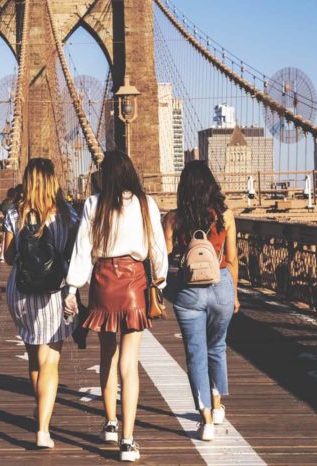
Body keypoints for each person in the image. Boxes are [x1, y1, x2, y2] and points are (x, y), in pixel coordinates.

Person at [64, 151, 167, 462]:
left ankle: (110, 423)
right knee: (129, 362)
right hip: (135, 284)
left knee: (107, 353)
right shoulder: (147, 204)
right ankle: (127, 440)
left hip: (103, 282)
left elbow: (83, 249)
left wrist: (72, 288)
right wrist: (159, 284)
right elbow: (157, 248)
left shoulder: (94, 204)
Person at [162, 160, 239, 442]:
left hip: (188, 291)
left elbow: (165, 258)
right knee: (217, 346)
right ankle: (218, 404)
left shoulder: (174, 217)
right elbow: (232, 259)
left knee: (196, 354)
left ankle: (205, 418)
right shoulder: (225, 215)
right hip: (221, 287)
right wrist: (235, 295)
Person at [3, 158, 78, 449]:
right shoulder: (67, 214)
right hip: (52, 294)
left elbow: (8, 258)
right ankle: (43, 429)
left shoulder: (15, 213)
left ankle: (40, 410)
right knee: (52, 360)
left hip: (20, 294)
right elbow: (71, 255)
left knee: (35, 356)